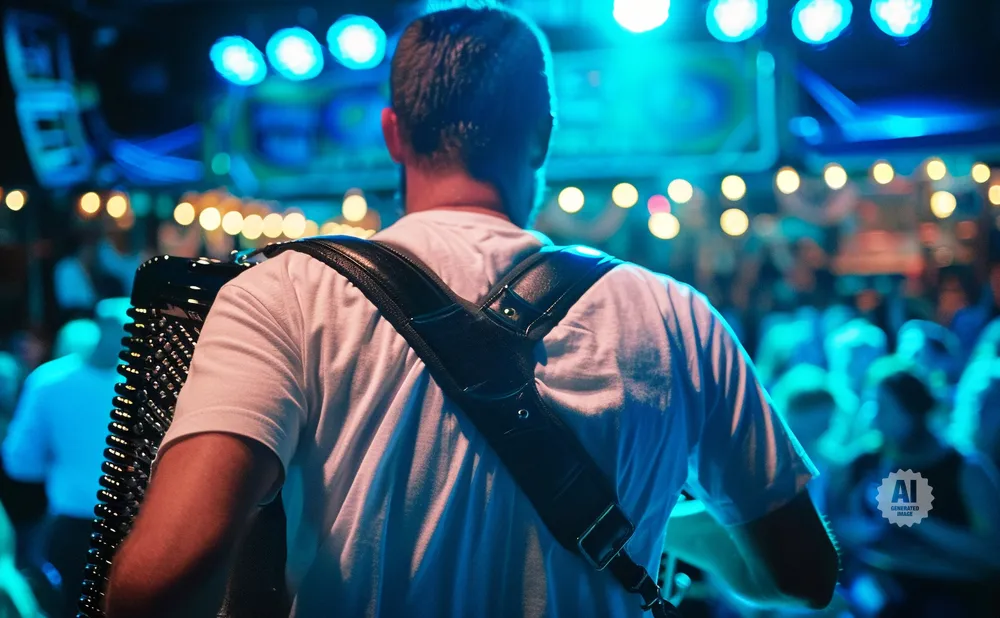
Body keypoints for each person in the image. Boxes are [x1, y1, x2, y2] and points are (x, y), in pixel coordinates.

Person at [105, 6, 838, 618]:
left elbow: (165, 578)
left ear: (393, 133)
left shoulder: (282, 292)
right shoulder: (681, 318)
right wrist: (684, 535)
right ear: (544, 135)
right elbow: (805, 572)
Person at [825, 357, 1000, 617]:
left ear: (914, 410)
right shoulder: (863, 462)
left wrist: (918, 521)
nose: (873, 417)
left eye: (884, 407)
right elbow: (834, 523)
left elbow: (991, 553)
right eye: (871, 404)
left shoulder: (965, 470)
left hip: (950, 593)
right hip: (878, 587)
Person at [2, 298, 129, 616]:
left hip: (73, 528)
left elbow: (21, 463)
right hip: (135, 526)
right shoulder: (146, 386)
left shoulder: (50, 381)